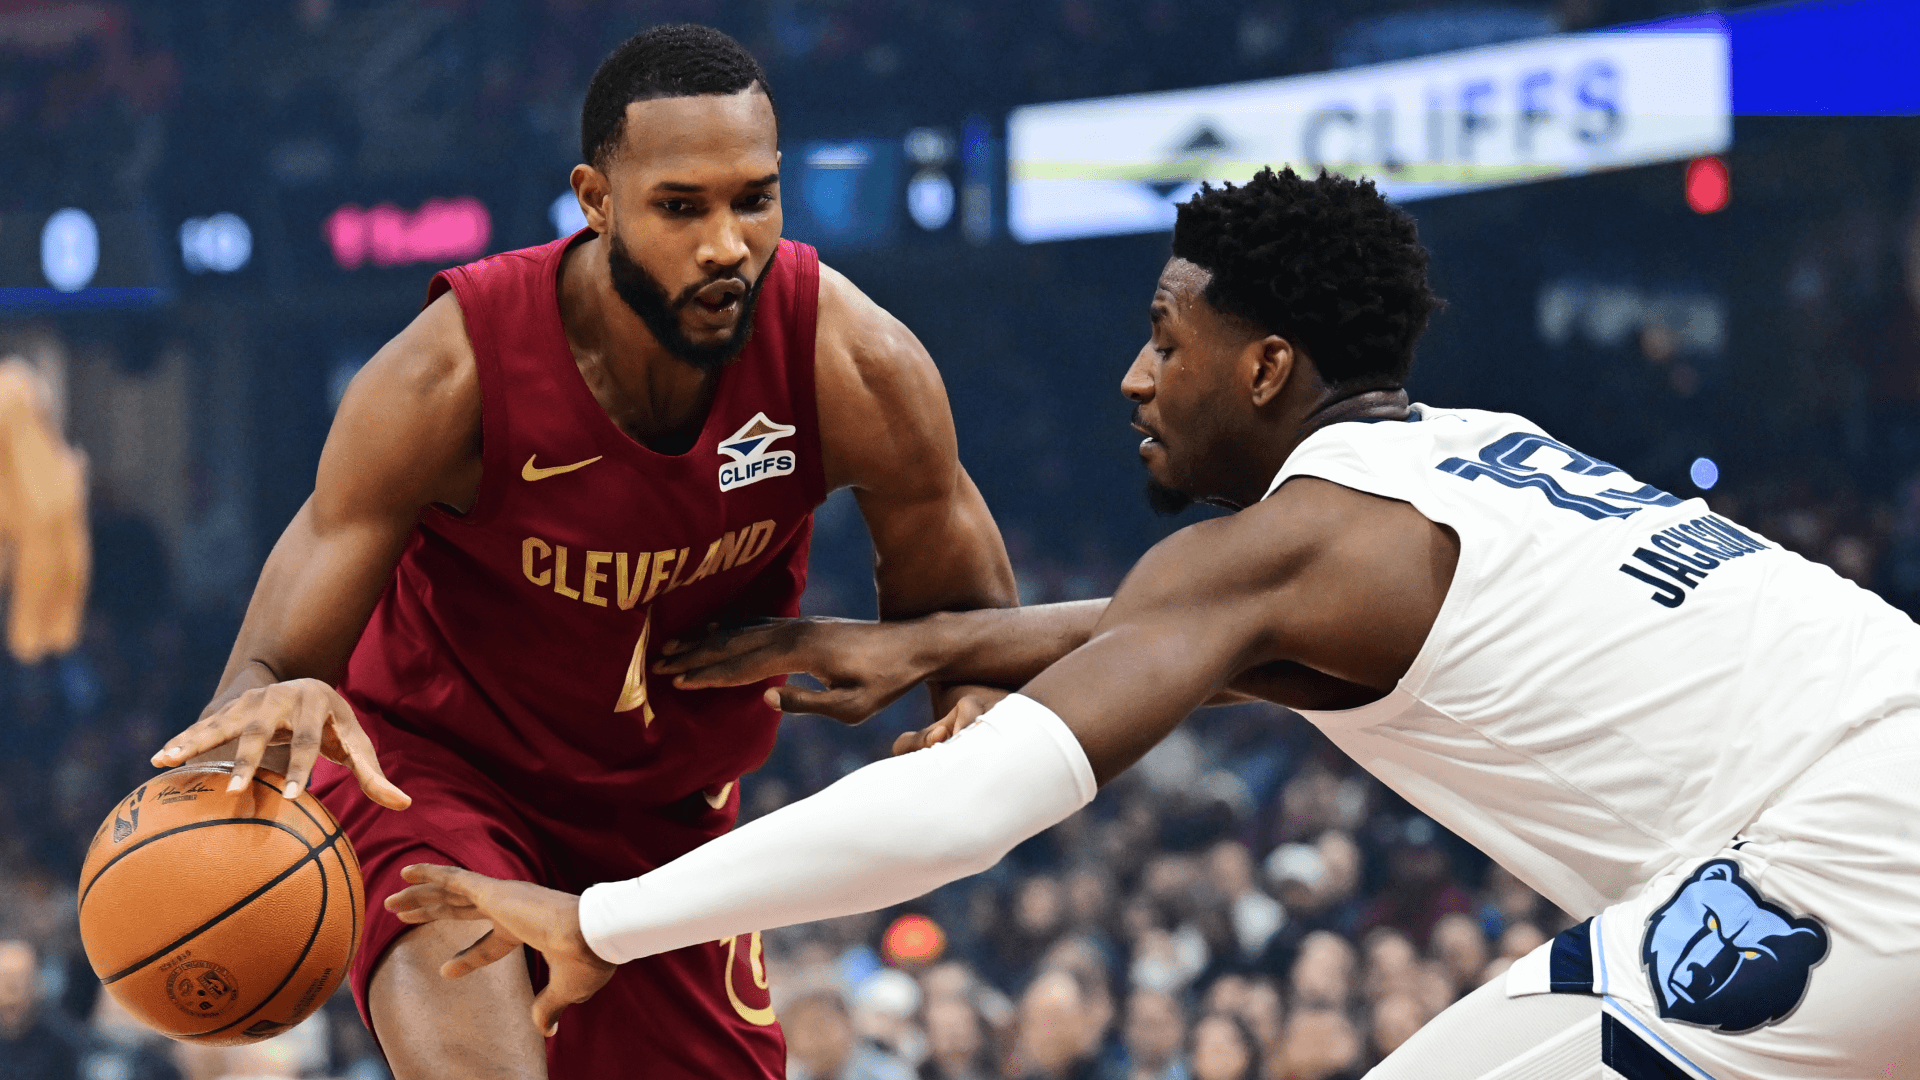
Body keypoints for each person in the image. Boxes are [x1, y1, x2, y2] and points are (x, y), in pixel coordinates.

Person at [387, 167, 1920, 1080]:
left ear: (1263, 368)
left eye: (1166, 336)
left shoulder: (1296, 539)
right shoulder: (1469, 455)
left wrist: (596, 919)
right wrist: (935, 644)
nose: (1135, 375)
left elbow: (976, 805)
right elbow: (1217, 639)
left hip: (1854, 848)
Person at [148, 23, 1014, 1080]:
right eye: (681, 206)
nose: (727, 244)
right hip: (435, 773)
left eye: (755, 197)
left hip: (668, 816)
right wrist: (270, 690)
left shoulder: (854, 361)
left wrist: (973, 710)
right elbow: (272, 663)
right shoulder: (448, 372)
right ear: (596, 201)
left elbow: (969, 627)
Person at [0, 939, 79, 1080]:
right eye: (5, 977)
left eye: (19, 978)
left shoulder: (63, 1038)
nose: (10, 988)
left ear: (35, 983)